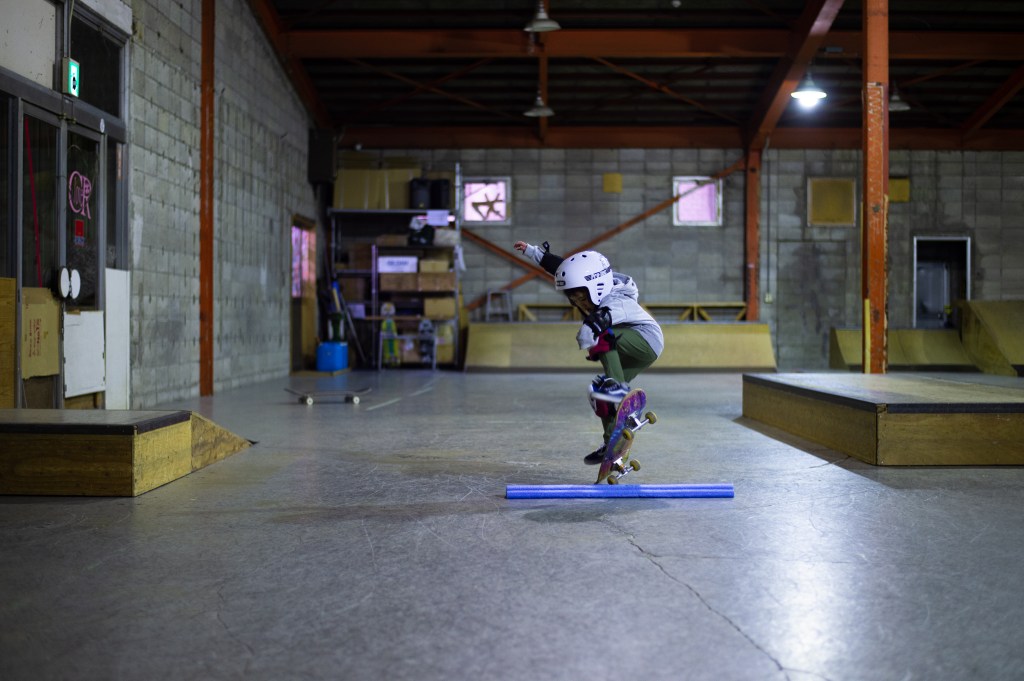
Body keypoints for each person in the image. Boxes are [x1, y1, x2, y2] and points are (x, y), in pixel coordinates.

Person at [513, 241, 664, 464]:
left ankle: (617, 386)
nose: (579, 303)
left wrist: (587, 332)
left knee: (603, 335)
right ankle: (612, 446)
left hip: (646, 341)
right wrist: (532, 251)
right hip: (627, 348)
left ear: (596, 288)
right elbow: (562, 269)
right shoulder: (594, 283)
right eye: (574, 299)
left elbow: (597, 323)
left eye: (582, 298)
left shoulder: (617, 300)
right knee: (599, 393)